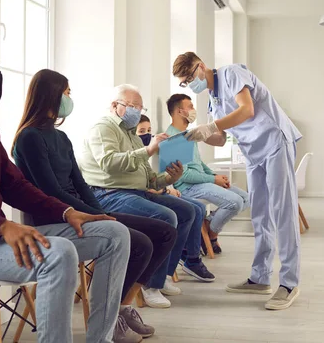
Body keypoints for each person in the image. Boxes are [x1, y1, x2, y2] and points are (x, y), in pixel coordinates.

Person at [0, 36, 130, 343]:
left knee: (115, 235)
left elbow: (14, 185)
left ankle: (100, 339)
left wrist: (67, 211)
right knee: (58, 254)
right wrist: (1, 225)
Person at [12, 70, 178, 342]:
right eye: (66, 93)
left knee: (163, 233)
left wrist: (102, 213)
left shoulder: (61, 137)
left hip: (82, 213)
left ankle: (122, 307)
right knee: (140, 243)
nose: (69, 98)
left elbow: (79, 184)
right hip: (53, 219)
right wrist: (94, 216)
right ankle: (107, 323)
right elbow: (50, 190)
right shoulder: (29, 137)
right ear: (51, 95)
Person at [172, 52, 302, 311]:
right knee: (260, 215)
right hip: (253, 153)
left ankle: (289, 283)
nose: (190, 83)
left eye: (189, 77)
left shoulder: (231, 74)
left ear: (201, 66)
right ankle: (260, 277)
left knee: (282, 212)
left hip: (275, 142)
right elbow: (220, 138)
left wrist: (209, 127)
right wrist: (193, 135)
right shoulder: (213, 100)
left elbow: (247, 109)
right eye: (184, 82)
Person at [79, 84, 215, 309]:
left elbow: (149, 179)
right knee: (166, 216)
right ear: (115, 105)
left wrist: (170, 178)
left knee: (187, 210)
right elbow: (110, 164)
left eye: (140, 107)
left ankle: (163, 277)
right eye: (133, 106)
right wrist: (149, 149)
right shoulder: (103, 127)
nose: (137, 111)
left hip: (135, 191)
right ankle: (150, 285)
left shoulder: (130, 133)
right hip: (108, 194)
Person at [165, 94, 250, 254]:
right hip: (188, 188)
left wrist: (215, 175)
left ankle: (208, 225)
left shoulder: (188, 134)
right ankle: (212, 235)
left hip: (202, 183)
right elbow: (184, 175)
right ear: (179, 111)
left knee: (246, 198)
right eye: (190, 106)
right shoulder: (173, 138)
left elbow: (199, 163)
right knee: (235, 203)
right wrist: (213, 179)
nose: (193, 110)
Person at [136, 115, 218, 258]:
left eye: (149, 130)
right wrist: (167, 189)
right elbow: (144, 184)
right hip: (150, 193)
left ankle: (191, 256)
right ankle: (182, 254)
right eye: (141, 131)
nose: (147, 134)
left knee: (199, 208)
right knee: (187, 211)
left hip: (163, 188)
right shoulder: (135, 154)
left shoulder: (157, 147)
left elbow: (156, 176)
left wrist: (169, 187)